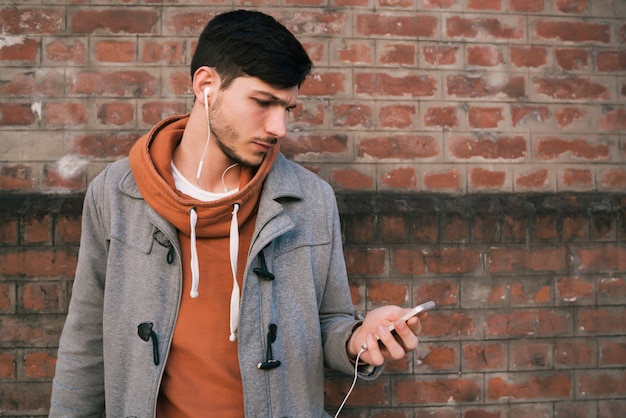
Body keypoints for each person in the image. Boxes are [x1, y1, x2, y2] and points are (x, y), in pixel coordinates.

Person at [50, 9, 423, 417]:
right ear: (206, 85)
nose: (279, 127)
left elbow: (329, 321)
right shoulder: (116, 193)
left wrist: (357, 339)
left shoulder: (311, 200)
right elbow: (86, 340)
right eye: (263, 102)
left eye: (287, 108)